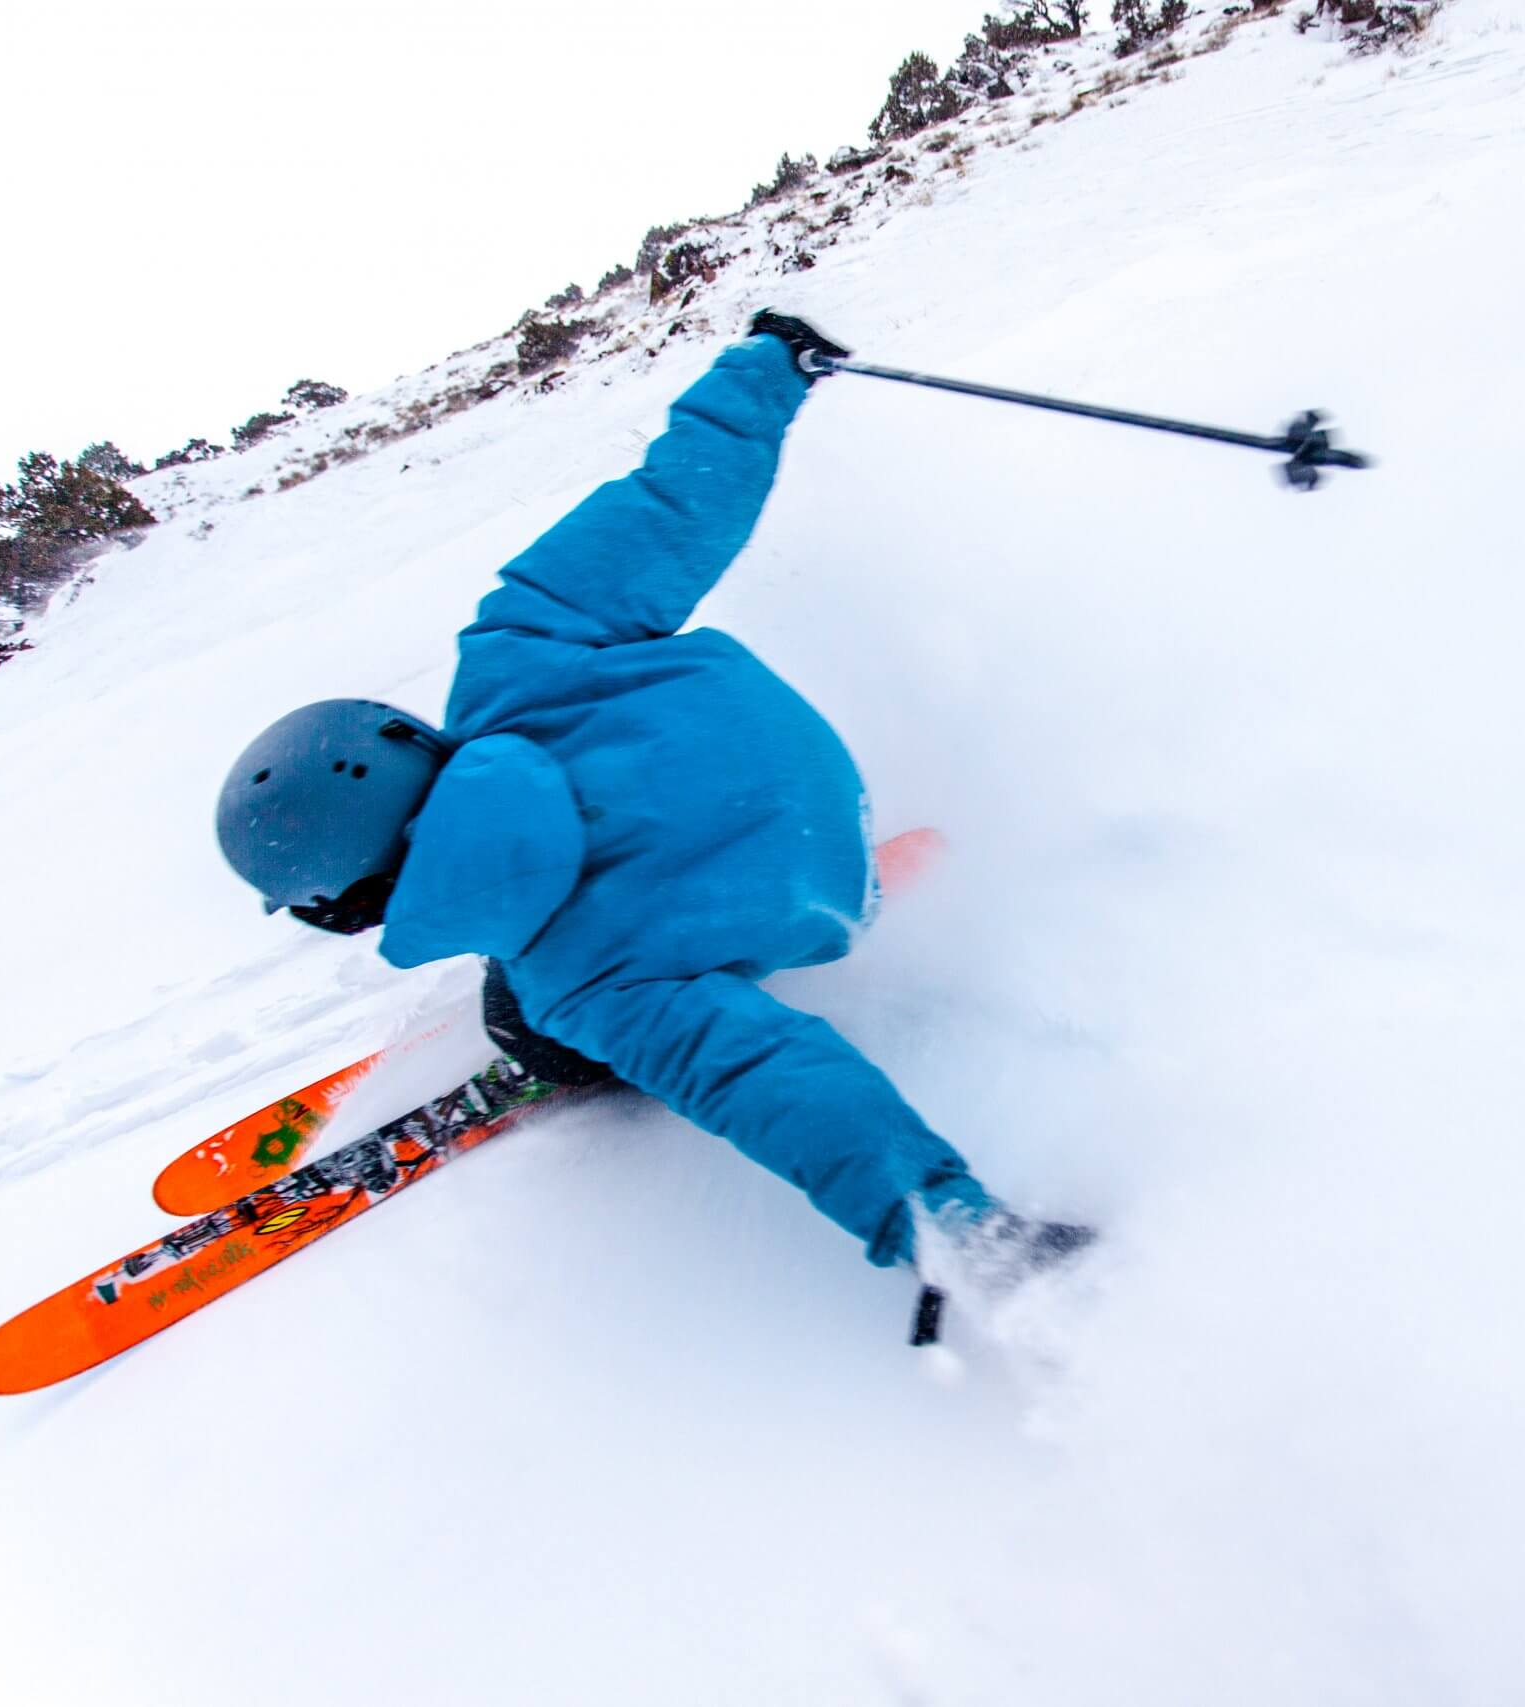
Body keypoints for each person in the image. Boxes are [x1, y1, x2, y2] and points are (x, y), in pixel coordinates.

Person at [213, 311, 1084, 1299]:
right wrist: (765, 375)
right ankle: (840, 871)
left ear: (363, 896)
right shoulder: (516, 651)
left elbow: (773, 1081)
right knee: (645, 921)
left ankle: (828, 903)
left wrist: (950, 1230)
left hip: (811, 891)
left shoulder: (585, 984)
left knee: (529, 1017)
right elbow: (672, 510)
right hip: (793, 774)